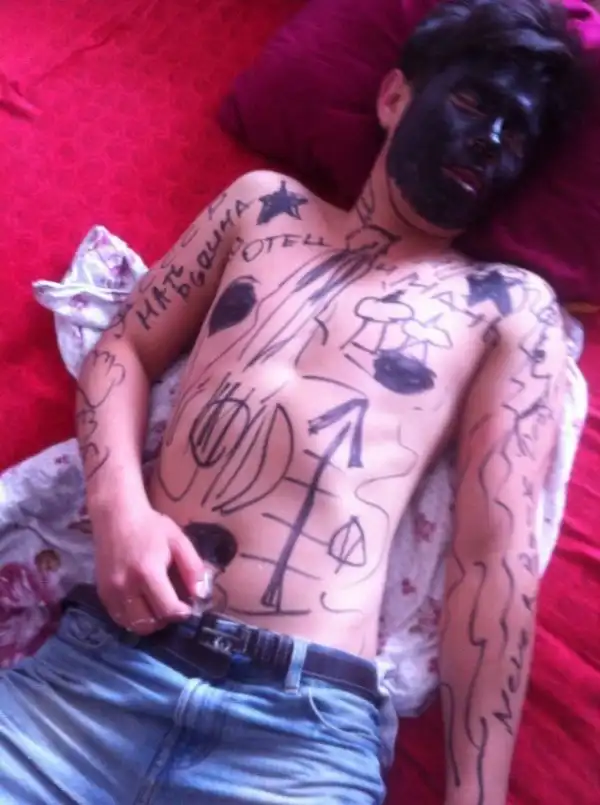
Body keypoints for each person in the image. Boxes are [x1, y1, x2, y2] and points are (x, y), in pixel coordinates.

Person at [0, 1, 588, 803]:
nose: (488, 141)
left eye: (515, 136)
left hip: (295, 735)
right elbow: (124, 350)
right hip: (92, 681)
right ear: (393, 97)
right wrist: (119, 514)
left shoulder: (510, 309)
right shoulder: (261, 208)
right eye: (471, 102)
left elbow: (493, 562)